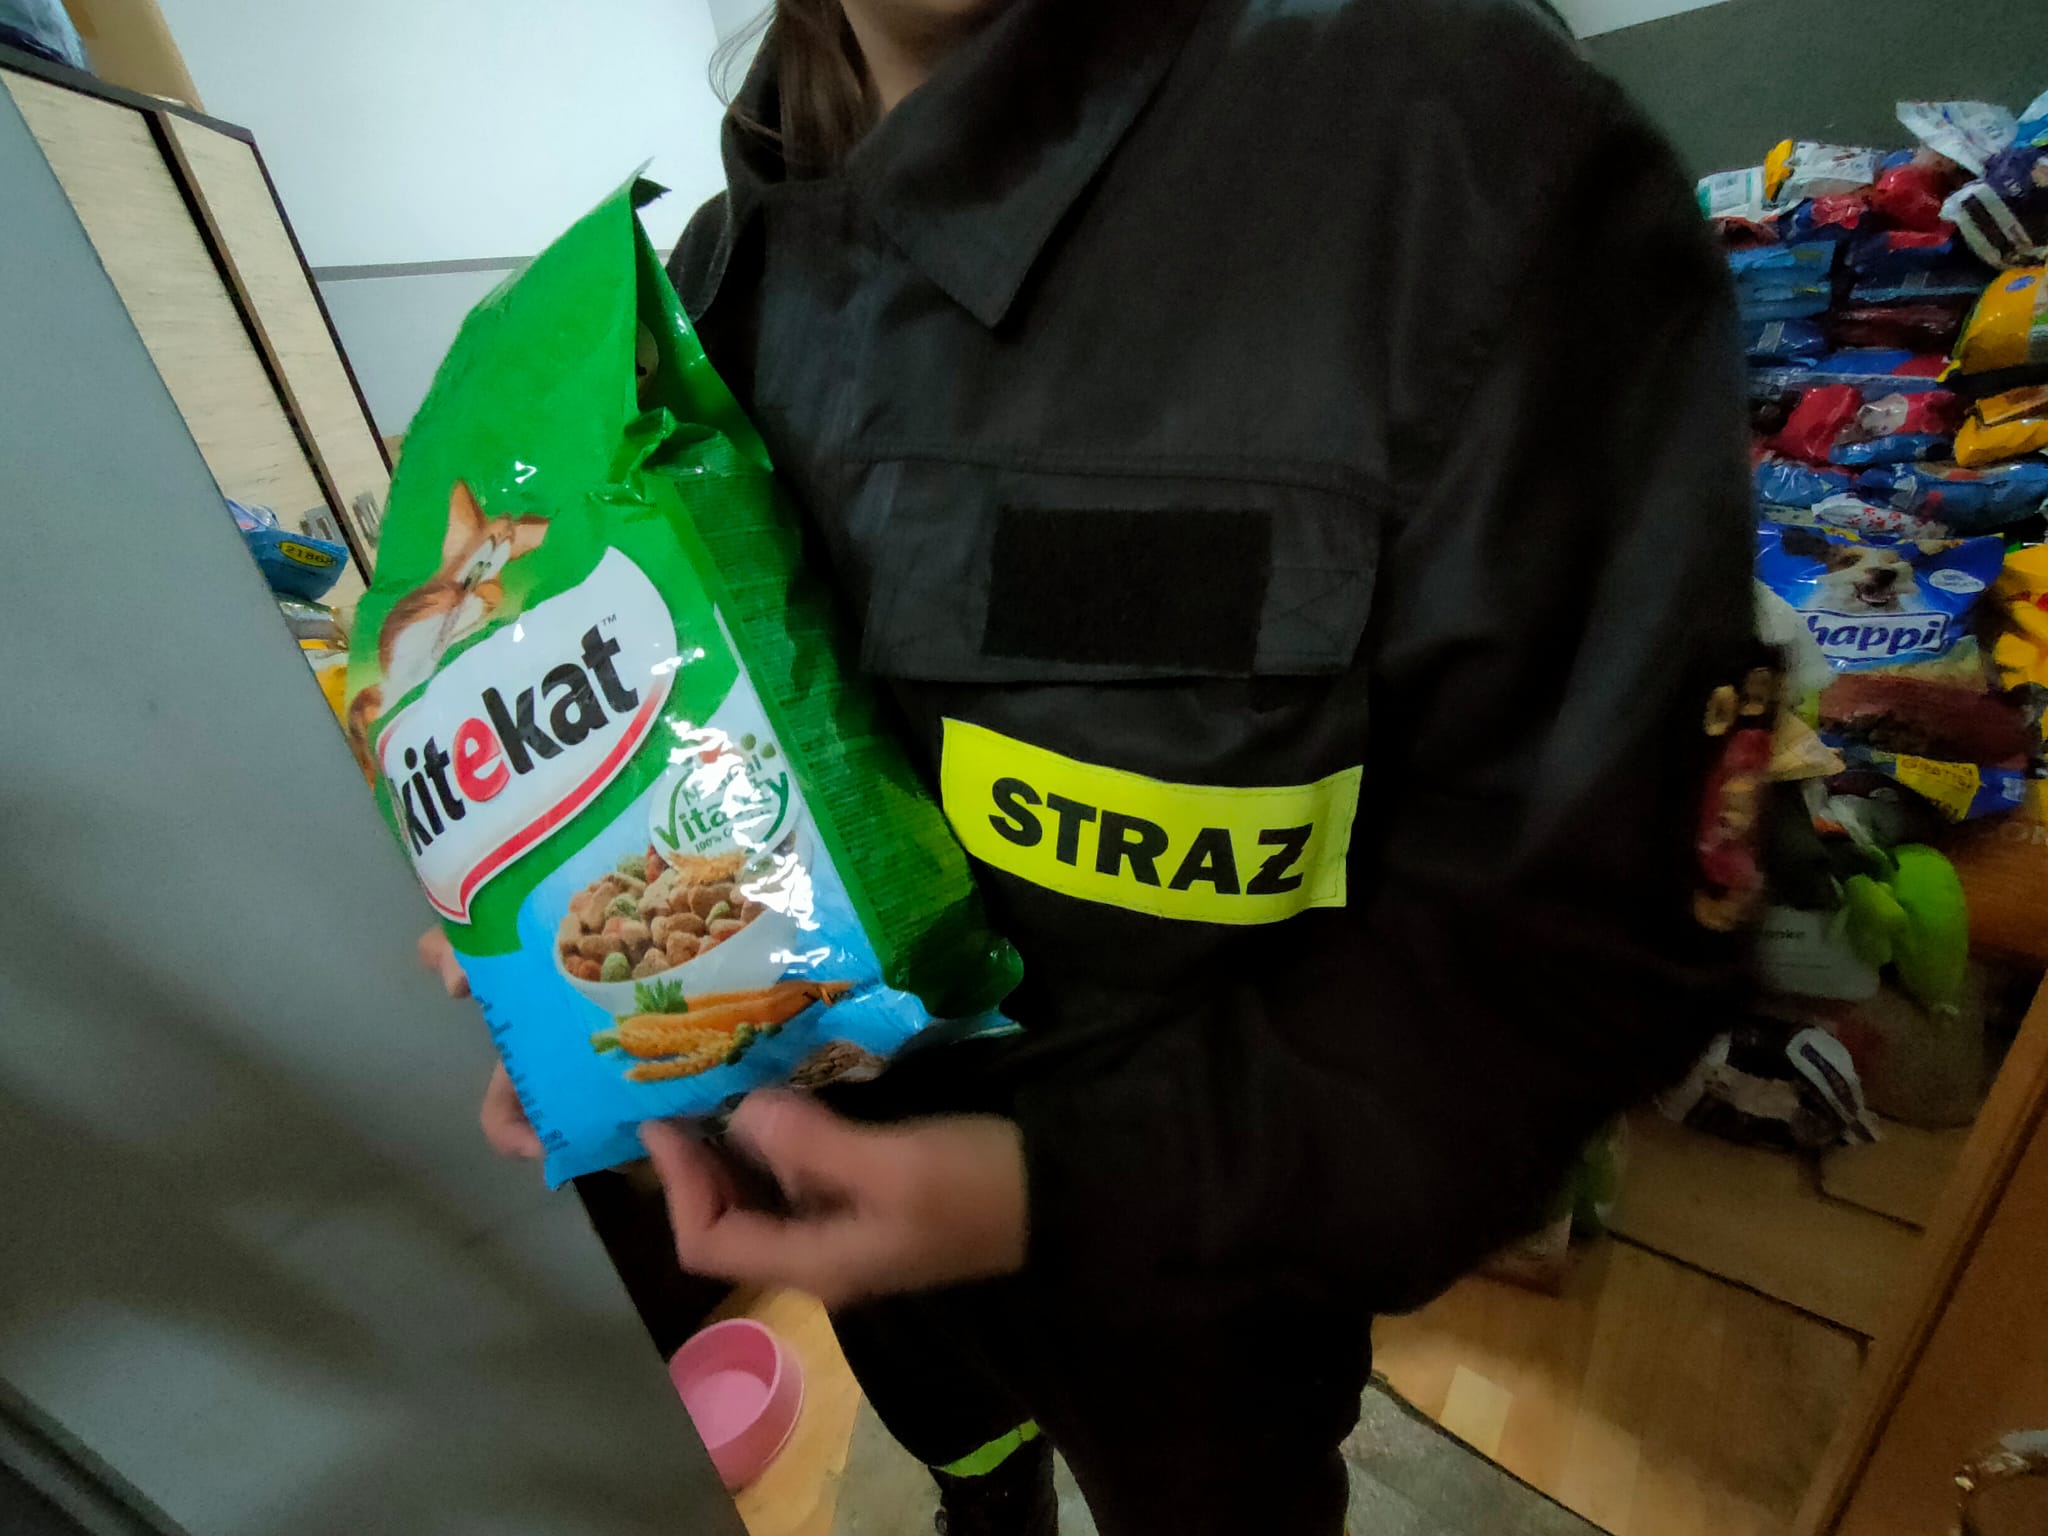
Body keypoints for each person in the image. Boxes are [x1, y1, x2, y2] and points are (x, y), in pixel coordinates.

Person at [425, 0, 1771, 1530]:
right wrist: (584, 954)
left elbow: (1589, 949)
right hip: (859, 1212)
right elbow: (717, 755)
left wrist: (1057, 1189)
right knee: (963, 1451)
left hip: (1207, 1292)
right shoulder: (716, 279)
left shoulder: (1452, 161)